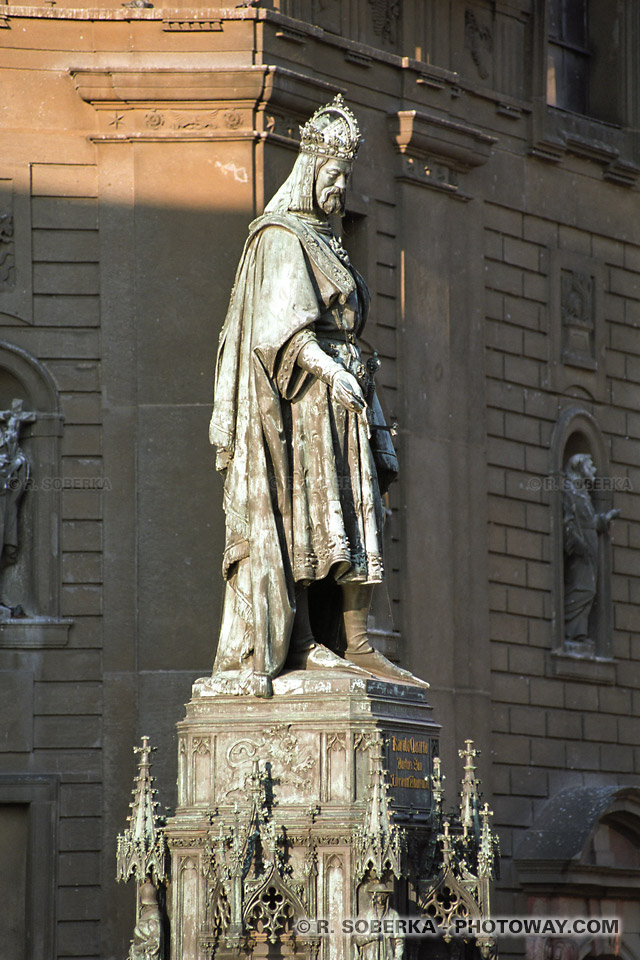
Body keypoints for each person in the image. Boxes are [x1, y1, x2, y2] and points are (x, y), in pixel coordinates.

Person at [209, 95, 425, 697]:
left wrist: (353, 380)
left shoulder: (328, 241)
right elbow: (281, 327)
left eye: (347, 178)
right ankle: (302, 641)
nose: (341, 188)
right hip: (303, 403)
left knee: (359, 514)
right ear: (310, 170)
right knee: (306, 516)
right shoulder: (282, 236)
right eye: (334, 176)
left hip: (345, 402)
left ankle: (356, 641)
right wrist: (332, 373)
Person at [563, 453, 619, 644]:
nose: (593, 469)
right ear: (579, 468)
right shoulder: (569, 492)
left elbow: (591, 522)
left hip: (589, 550)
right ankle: (571, 631)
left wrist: (605, 519)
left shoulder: (582, 494)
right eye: (590, 465)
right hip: (580, 551)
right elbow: (568, 524)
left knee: (590, 590)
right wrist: (579, 544)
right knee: (583, 588)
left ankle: (579, 633)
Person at [353, 883, 404, 960]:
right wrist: (371, 937)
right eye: (379, 894)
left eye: (384, 894)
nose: (382, 897)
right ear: (373, 896)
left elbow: (400, 941)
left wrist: (397, 958)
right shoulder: (364, 914)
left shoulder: (393, 915)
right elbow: (358, 940)